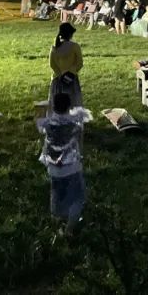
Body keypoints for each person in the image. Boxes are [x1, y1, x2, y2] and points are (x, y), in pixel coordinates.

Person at [37, 91, 90, 235]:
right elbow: (80, 142)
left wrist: (41, 110)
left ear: (53, 107)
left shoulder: (47, 123)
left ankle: (57, 222)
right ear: (69, 107)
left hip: (53, 169)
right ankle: (69, 229)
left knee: (57, 194)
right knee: (77, 197)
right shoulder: (75, 123)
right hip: (71, 168)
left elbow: (39, 125)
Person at [50, 23, 84, 107]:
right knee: (73, 102)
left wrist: (60, 74)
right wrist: (70, 73)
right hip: (71, 79)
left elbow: (52, 64)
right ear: (70, 34)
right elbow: (79, 63)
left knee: (57, 103)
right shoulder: (75, 46)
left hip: (57, 79)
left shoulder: (54, 47)